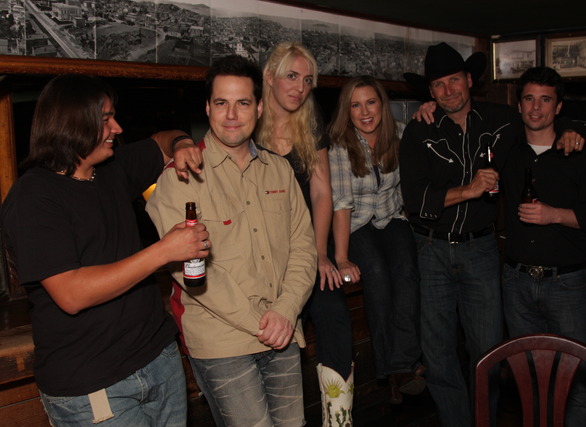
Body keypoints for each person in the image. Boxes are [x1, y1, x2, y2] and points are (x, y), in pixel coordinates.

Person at [0, 74, 210, 426]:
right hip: (93, 384)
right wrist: (163, 251)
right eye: (105, 119)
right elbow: (71, 293)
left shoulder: (110, 169)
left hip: (159, 360)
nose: (117, 127)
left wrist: (182, 142)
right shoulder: (34, 197)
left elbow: (163, 141)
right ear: (72, 123)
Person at [399, 42, 586, 427]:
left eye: (454, 80)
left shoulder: (501, 120)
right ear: (430, 92)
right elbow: (415, 200)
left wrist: (572, 128)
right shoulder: (418, 130)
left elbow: (542, 118)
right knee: (437, 353)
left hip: (481, 249)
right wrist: (468, 190)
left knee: (488, 352)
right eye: (438, 84)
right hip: (431, 250)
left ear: (469, 80)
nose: (448, 90)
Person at [146, 55, 316, 427]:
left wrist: (286, 310)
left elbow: (304, 247)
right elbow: (190, 271)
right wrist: (264, 322)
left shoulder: (280, 169)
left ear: (259, 108)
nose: (232, 115)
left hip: (283, 327)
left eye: (243, 103)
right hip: (222, 340)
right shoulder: (178, 178)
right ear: (207, 108)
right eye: (222, 103)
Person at [502, 66, 586, 426]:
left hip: (565, 284)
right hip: (516, 283)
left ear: (558, 106)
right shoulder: (508, 153)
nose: (536, 108)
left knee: (578, 382)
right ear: (519, 105)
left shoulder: (579, 155)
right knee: (529, 381)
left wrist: (555, 215)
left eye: (545, 100)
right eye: (529, 99)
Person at [257, 42, 354, 425]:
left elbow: (321, 192)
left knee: (333, 312)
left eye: (308, 79)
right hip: (263, 253)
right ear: (270, 77)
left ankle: (339, 420)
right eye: (292, 76)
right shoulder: (249, 124)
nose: (300, 87)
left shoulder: (310, 123)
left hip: (307, 245)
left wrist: (320, 253)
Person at [328, 75, 425, 405]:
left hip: (391, 217)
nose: (365, 112)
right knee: (378, 275)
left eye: (371, 102)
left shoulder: (400, 133)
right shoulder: (340, 145)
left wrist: (429, 111)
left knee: (407, 271)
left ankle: (406, 359)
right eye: (355, 105)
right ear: (347, 111)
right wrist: (341, 258)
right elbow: (341, 204)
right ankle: (393, 367)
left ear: (382, 104)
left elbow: (411, 182)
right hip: (355, 224)